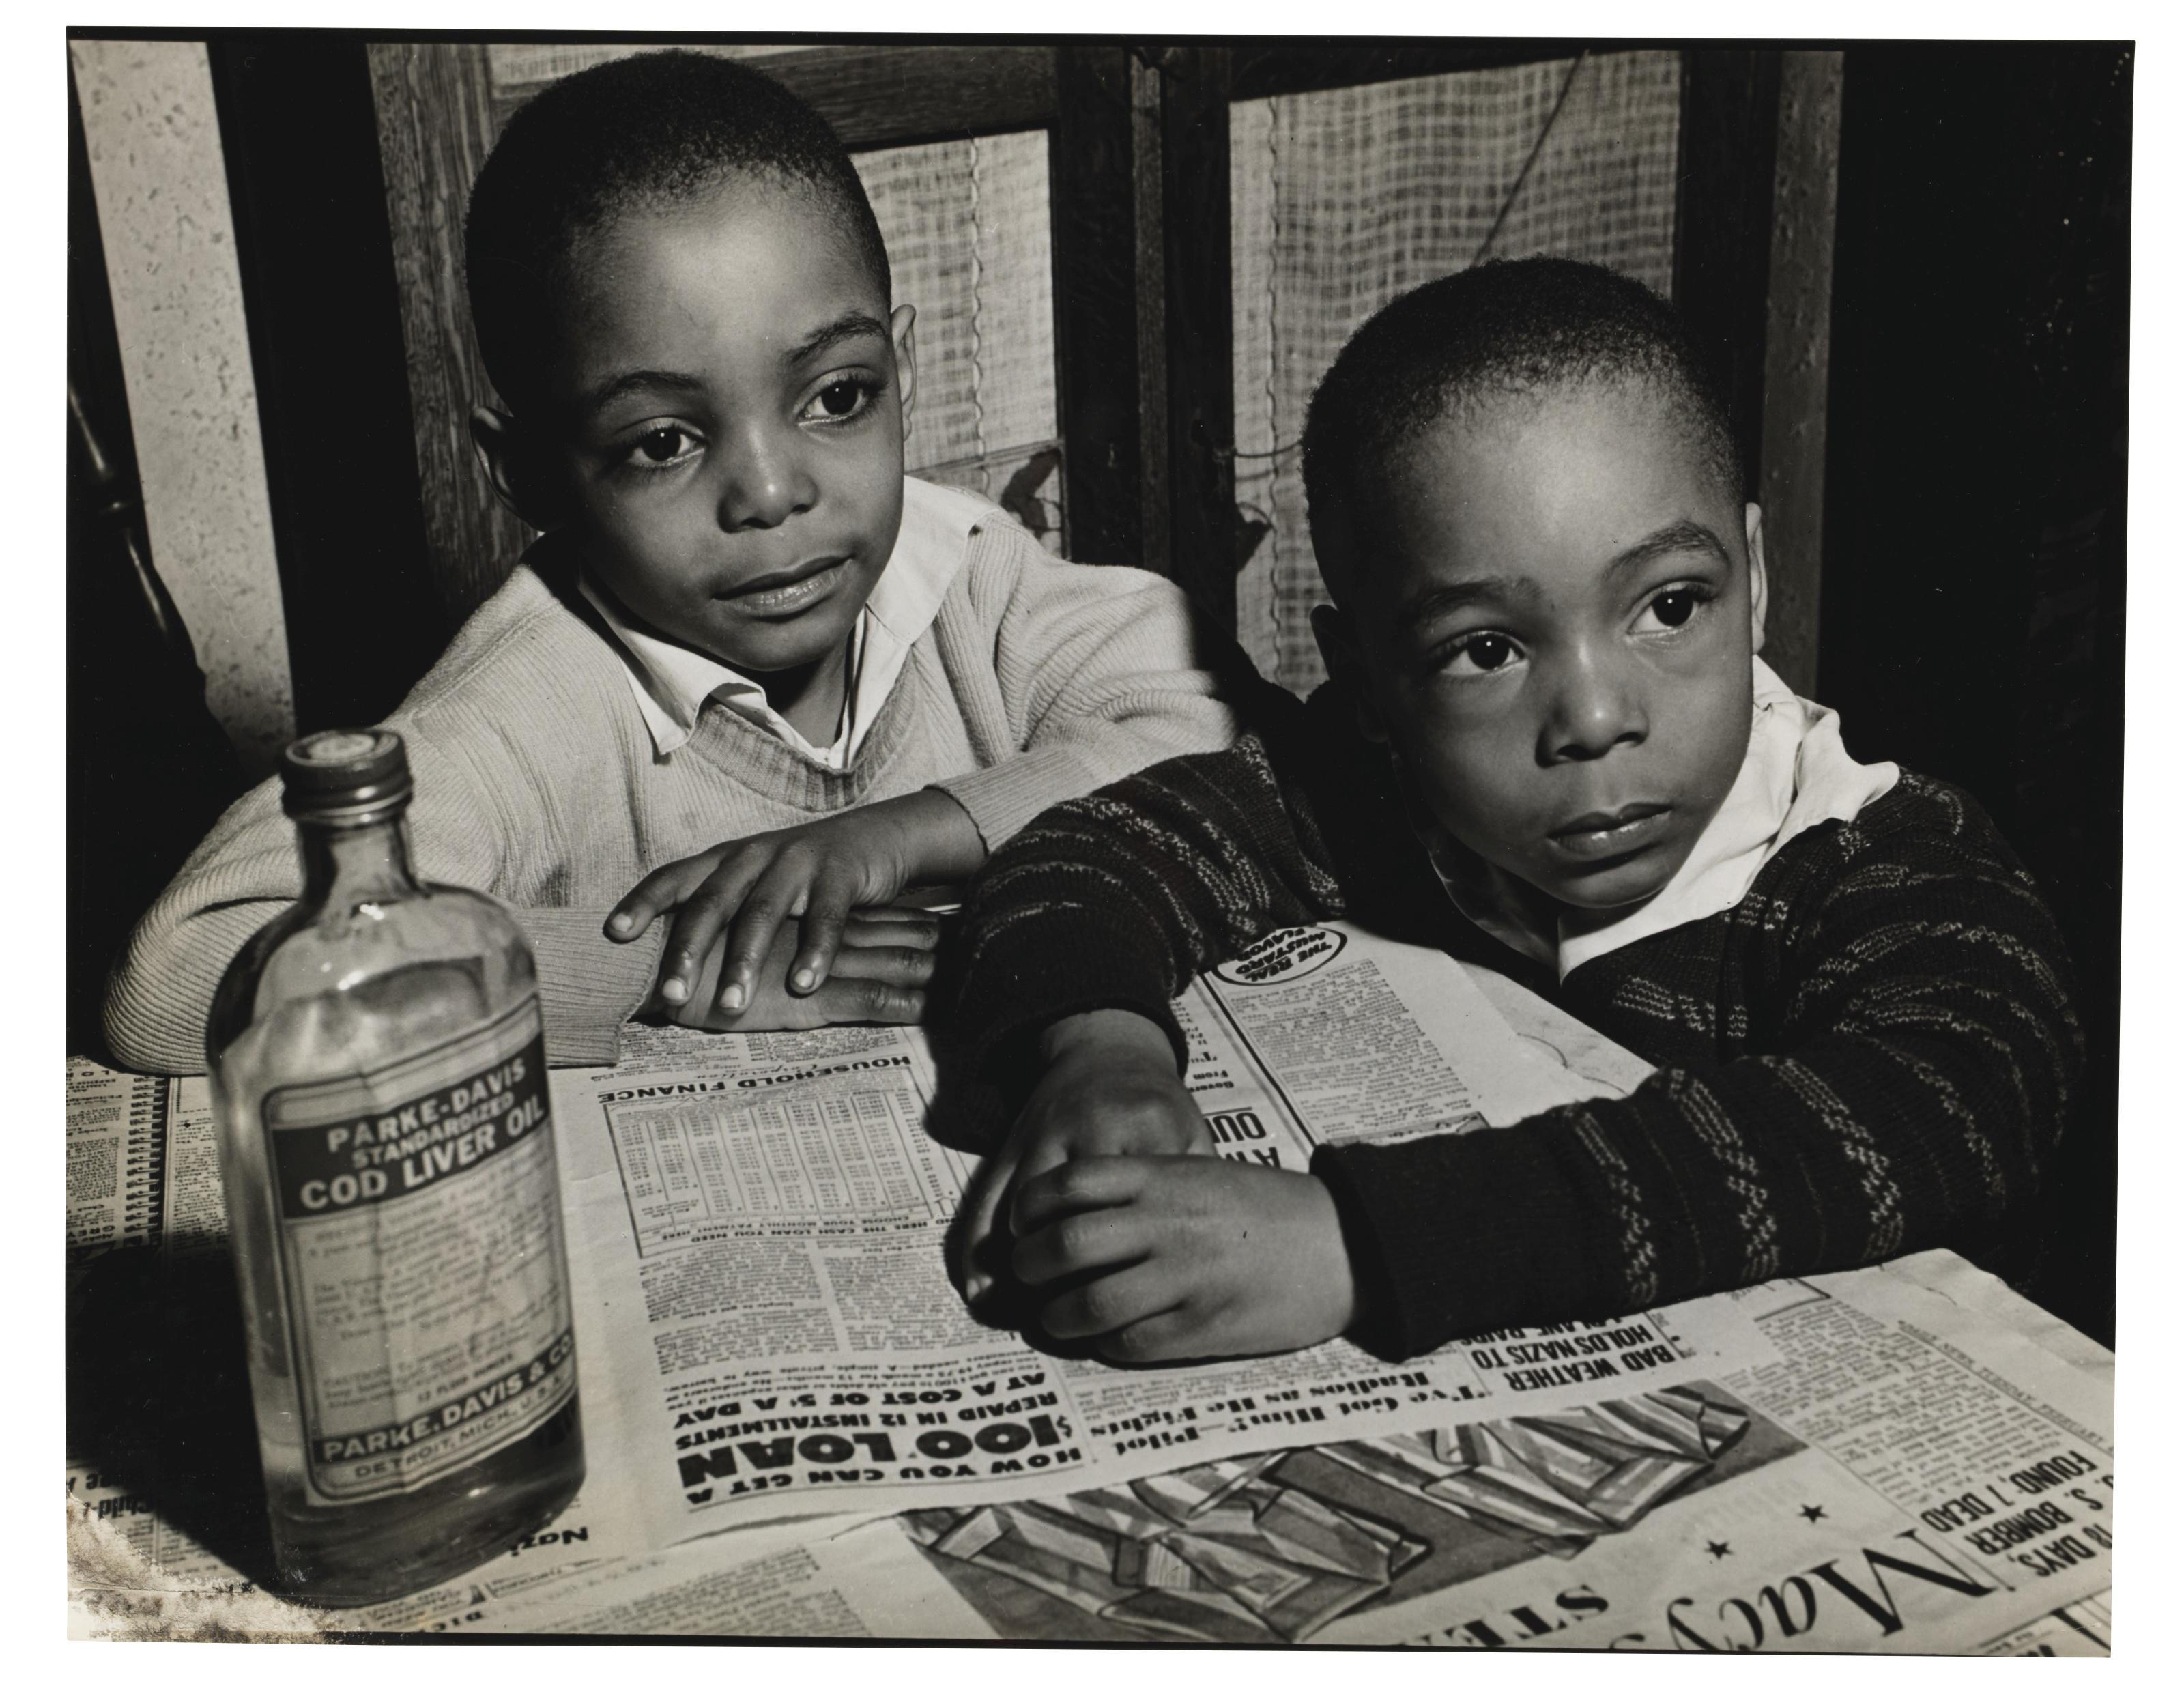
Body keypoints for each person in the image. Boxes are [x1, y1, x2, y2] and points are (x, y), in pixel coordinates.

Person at [943, 256, 2082, 1365]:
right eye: (1486, 649)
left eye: (1671, 606)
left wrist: (1356, 1247)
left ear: (1758, 576)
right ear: (1372, 681)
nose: (1592, 716)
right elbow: (1085, 862)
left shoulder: (1879, 858)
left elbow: (1955, 1107)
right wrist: (1101, 1055)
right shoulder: (1367, 796)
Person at [102, 51, 1243, 1074]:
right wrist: (662, 964)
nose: (771, 491)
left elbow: (1214, 726)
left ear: (903, 369)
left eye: (837, 398)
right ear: (529, 474)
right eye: (663, 442)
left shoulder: (971, 577)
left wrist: (891, 837)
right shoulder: (539, 695)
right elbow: (177, 977)